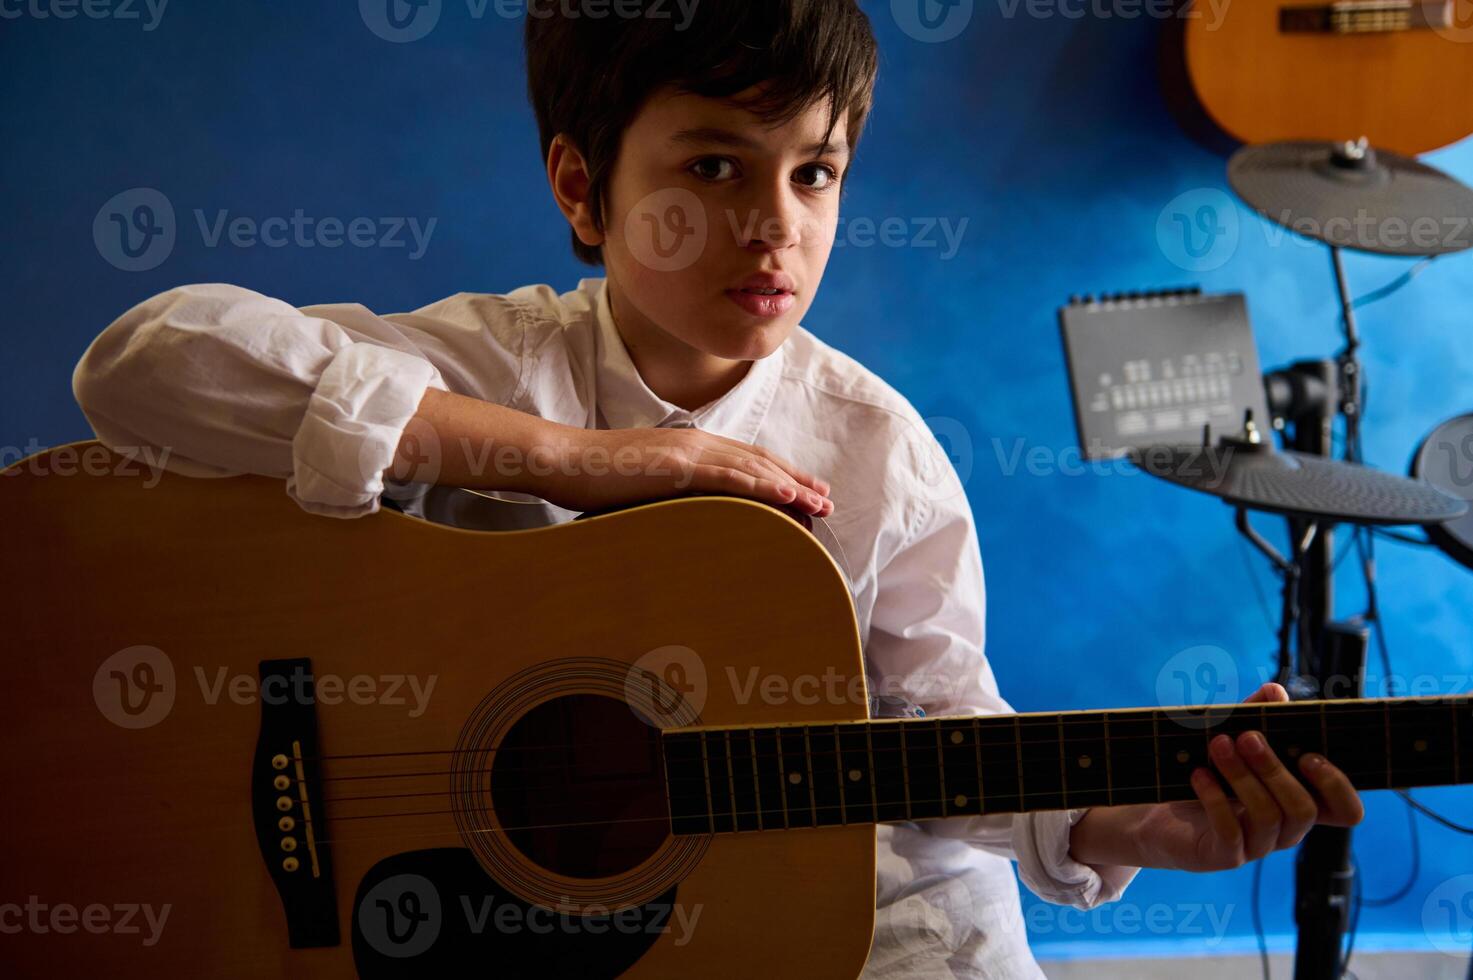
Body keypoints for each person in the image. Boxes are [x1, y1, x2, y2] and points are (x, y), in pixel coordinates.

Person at [71, 2, 1363, 975]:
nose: (774, 225)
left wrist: (1133, 828)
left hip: (833, 909)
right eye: (710, 168)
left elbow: (936, 734)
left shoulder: (875, 447)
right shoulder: (498, 359)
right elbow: (147, 363)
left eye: (814, 171)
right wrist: (575, 462)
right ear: (584, 188)